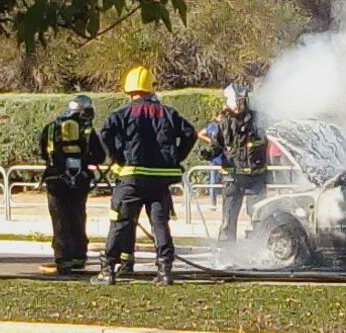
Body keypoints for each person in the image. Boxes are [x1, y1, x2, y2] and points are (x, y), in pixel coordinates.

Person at [94, 66, 196, 285]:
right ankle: (164, 271)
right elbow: (190, 133)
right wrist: (175, 159)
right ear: (151, 87)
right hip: (159, 180)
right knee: (160, 224)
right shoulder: (168, 113)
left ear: (129, 89)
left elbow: (105, 133)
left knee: (120, 223)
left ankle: (107, 270)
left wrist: (117, 157)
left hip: (131, 177)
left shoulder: (122, 114)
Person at [38, 95, 106, 274]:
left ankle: (63, 259)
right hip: (80, 180)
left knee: (59, 219)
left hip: (55, 181)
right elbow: (99, 156)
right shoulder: (88, 131)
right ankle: (78, 256)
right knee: (77, 216)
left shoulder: (51, 128)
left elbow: (44, 153)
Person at [208, 84, 269, 244]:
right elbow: (217, 145)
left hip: (256, 176)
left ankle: (259, 250)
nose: (238, 106)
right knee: (228, 219)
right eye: (236, 102)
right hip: (232, 178)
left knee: (259, 217)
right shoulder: (224, 124)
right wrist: (210, 153)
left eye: (241, 102)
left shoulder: (258, 120)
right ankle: (227, 253)